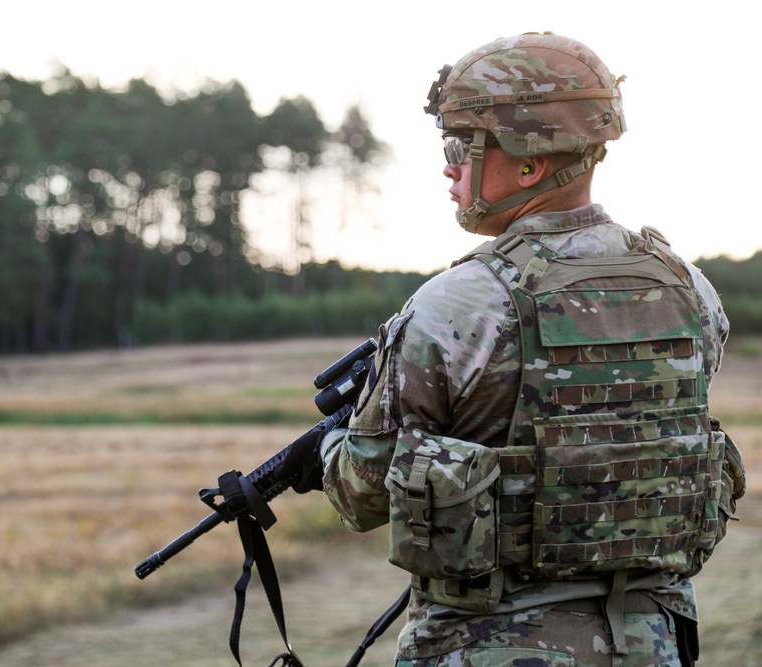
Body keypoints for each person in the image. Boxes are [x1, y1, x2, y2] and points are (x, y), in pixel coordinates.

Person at [279, 32, 746, 666]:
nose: (448, 167)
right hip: (652, 645)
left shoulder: (459, 304)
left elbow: (362, 494)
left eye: (459, 146)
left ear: (529, 164)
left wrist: (329, 450)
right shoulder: (689, 288)